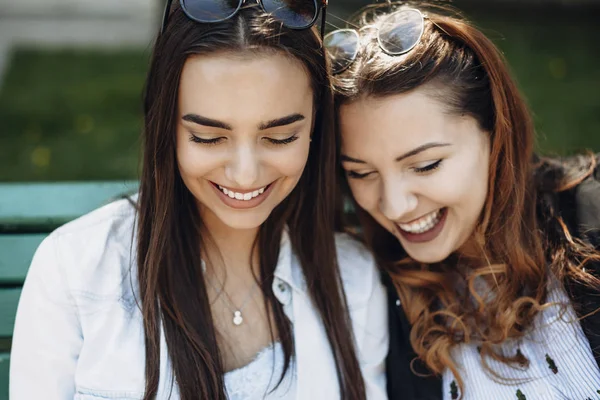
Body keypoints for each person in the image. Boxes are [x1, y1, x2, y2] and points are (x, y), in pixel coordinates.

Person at [9, 1, 388, 399]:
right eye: (208, 138)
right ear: (166, 127)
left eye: (279, 138)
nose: (245, 174)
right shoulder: (75, 270)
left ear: (315, 127)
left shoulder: (353, 281)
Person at [326, 2, 600, 399]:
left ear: (495, 133)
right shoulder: (372, 299)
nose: (395, 207)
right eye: (361, 173)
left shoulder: (591, 219)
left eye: (425, 165)